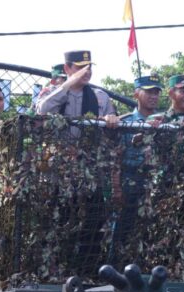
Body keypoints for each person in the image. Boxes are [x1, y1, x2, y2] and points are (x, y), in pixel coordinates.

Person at [110, 76, 163, 260]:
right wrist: (116, 188)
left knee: (150, 232)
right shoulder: (126, 121)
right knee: (122, 229)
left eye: (156, 92)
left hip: (156, 183)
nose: (153, 96)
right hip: (130, 180)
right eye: (149, 91)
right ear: (136, 94)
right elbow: (116, 157)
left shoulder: (165, 121)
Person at [35, 50, 118, 137]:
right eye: (81, 68)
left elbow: (112, 123)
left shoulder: (101, 96)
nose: (87, 72)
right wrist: (69, 82)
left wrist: (111, 118)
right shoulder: (50, 92)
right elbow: (42, 111)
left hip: (90, 149)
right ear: (67, 68)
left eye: (89, 68)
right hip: (57, 148)